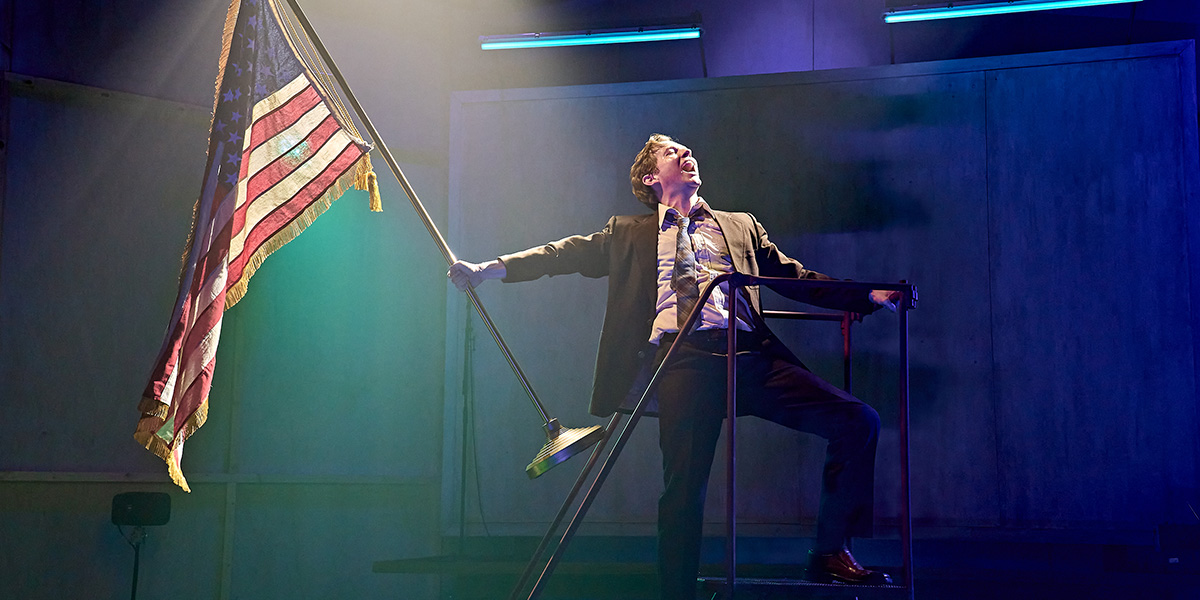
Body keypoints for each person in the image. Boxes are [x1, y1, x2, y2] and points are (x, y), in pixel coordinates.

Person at [449, 134, 899, 599]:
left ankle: (829, 552)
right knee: (683, 489)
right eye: (672, 152)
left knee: (857, 419)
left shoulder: (739, 225)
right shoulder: (627, 232)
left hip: (750, 356)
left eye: (687, 150)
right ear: (650, 178)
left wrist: (867, 294)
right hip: (683, 361)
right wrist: (488, 269)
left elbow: (792, 275)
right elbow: (562, 253)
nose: (686, 154)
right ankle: (676, 594)